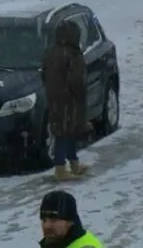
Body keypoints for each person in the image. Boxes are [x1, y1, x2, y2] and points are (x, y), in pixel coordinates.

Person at [41, 21, 93, 181]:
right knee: (65, 132)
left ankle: (73, 162)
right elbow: (77, 80)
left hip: (54, 97)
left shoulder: (51, 53)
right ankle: (60, 168)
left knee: (64, 130)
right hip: (70, 98)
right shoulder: (73, 54)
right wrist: (80, 95)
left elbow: (43, 74)